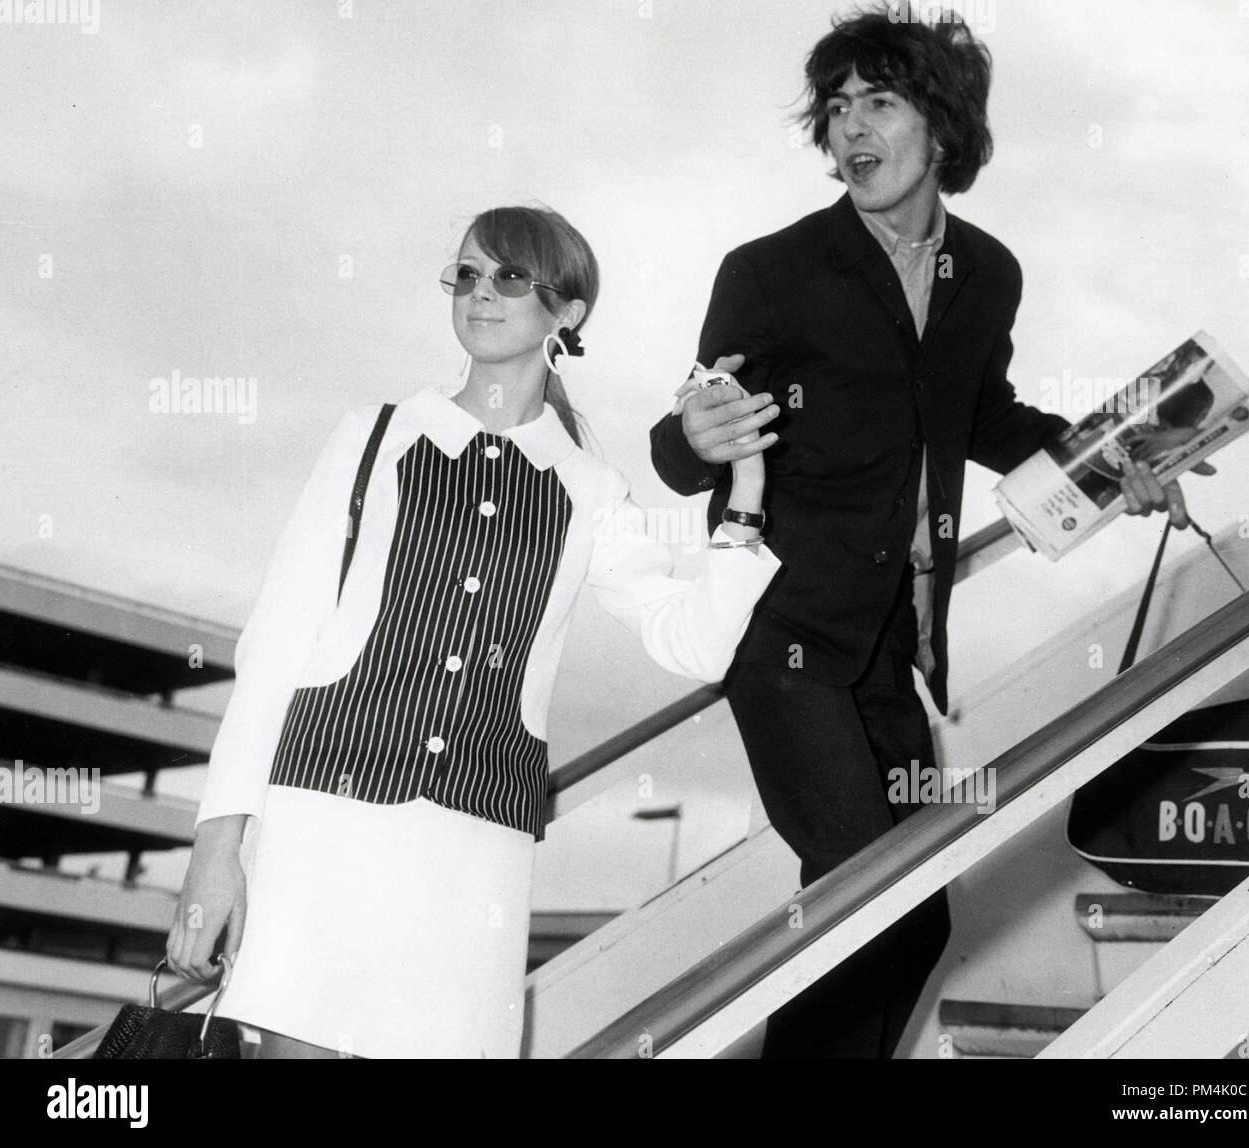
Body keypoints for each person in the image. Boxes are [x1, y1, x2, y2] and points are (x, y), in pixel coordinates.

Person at [650, 4, 1193, 1058]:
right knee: (861, 882)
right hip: (785, 631)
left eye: (879, 102)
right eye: (837, 107)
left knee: (915, 910)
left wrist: (1121, 460)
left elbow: (980, 414)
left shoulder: (985, 272)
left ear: (939, 127)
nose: (850, 127)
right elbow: (694, 436)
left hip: (894, 645)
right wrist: (690, 437)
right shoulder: (769, 269)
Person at [166, 205, 780, 1058]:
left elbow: (694, 642)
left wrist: (745, 488)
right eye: (466, 274)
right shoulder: (371, 440)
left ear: (566, 314)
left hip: (473, 852)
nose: (480, 293)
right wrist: (215, 852)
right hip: (322, 824)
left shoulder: (589, 488)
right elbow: (273, 649)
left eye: (510, 277)